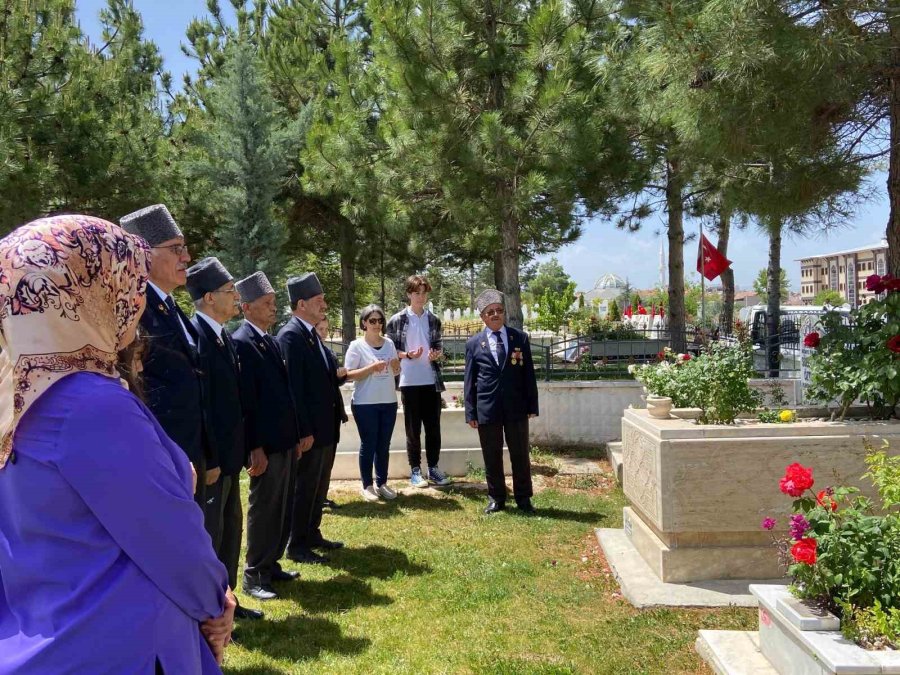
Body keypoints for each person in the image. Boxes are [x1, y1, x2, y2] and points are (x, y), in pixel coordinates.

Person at [0, 215, 235, 673]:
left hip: (41, 636)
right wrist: (216, 603)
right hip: (119, 640)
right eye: (125, 278)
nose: (136, 296)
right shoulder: (90, 404)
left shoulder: (16, 396)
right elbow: (169, 537)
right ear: (87, 292)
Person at [120, 203, 213, 507]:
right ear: (144, 253)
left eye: (184, 248)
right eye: (176, 249)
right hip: (162, 455)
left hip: (188, 451)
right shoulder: (134, 309)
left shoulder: (169, 306)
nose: (187, 257)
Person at [187, 257, 262, 621]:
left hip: (231, 457)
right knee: (211, 534)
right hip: (214, 461)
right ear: (208, 297)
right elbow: (203, 406)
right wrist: (212, 458)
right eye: (229, 291)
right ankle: (210, 609)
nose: (236, 297)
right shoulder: (196, 337)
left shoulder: (222, 337)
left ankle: (228, 602)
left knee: (231, 530)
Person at [232, 272, 302, 601]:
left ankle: (271, 563)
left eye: (274, 302)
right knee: (265, 507)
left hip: (284, 439)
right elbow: (247, 401)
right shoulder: (242, 342)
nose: (274, 308)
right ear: (246, 307)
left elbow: (284, 394)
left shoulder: (268, 340)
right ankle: (254, 572)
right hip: (266, 444)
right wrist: (254, 446)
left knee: (282, 505)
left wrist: (295, 435)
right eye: (266, 303)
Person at [277, 273, 345, 564]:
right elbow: (294, 388)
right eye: (318, 300)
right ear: (301, 304)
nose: (324, 305)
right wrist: (303, 430)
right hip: (311, 431)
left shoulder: (310, 334)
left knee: (319, 486)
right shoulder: (290, 336)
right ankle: (297, 544)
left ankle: (312, 532)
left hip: (325, 427)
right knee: (304, 488)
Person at [464, 289, 539, 514]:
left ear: (504, 313)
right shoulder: (474, 343)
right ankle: (496, 498)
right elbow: (470, 380)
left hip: (516, 407)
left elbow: (528, 374)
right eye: (490, 312)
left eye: (499, 310)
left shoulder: (519, 338)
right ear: (483, 317)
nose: (495, 314)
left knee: (520, 454)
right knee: (492, 455)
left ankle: (524, 498)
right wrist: (471, 412)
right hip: (488, 408)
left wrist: (532, 405)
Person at [386, 275, 451, 488]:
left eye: (424, 293)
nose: (421, 297)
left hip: (431, 381)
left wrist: (435, 355)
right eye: (416, 293)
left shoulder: (434, 320)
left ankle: (433, 468)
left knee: (433, 428)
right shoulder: (397, 320)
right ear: (409, 294)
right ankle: (415, 470)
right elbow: (389, 350)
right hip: (409, 381)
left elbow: (439, 348)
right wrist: (407, 355)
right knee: (413, 430)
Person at [344, 305, 402, 502]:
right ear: (364, 323)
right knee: (369, 443)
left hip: (388, 401)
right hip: (364, 403)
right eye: (372, 321)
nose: (377, 324)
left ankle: (382, 483)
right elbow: (348, 375)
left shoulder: (389, 343)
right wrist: (371, 368)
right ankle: (367, 485)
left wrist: (396, 366)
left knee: (383, 445)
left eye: (380, 320)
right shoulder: (356, 346)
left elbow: (395, 371)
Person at [315, 317, 348, 510]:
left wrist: (341, 376)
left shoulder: (328, 351)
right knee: (317, 462)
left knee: (329, 459)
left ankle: (322, 495)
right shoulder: (311, 350)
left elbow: (335, 380)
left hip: (333, 411)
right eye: (320, 329)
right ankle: (316, 497)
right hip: (320, 414)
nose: (324, 333)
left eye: (326, 329)